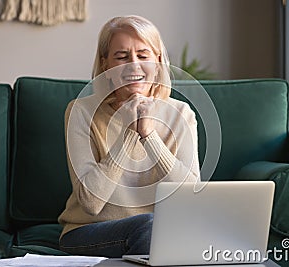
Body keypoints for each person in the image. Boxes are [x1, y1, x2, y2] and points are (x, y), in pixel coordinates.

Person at [58, 15, 200, 258]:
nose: (133, 65)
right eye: (121, 57)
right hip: (89, 232)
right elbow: (91, 204)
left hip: (163, 232)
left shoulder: (181, 114)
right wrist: (130, 133)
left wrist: (149, 134)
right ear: (106, 65)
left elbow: (190, 195)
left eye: (143, 56)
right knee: (149, 226)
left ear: (157, 61)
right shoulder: (80, 111)